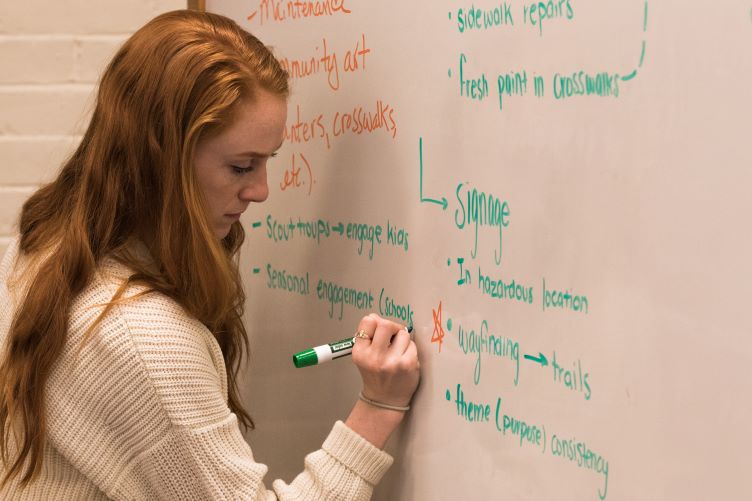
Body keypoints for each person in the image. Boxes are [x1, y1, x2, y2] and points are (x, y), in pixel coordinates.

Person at [0, 9, 420, 500]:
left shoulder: (42, 246)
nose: (261, 190)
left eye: (267, 161)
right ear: (163, 159)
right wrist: (377, 409)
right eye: (241, 167)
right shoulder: (143, 339)